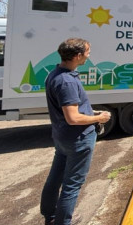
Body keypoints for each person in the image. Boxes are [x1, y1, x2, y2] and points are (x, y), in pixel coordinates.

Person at [41, 38, 112, 225]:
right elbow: (73, 118)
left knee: (55, 178)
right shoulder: (67, 82)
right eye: (87, 52)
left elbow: (68, 110)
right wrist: (99, 118)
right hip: (77, 139)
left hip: (62, 137)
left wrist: (90, 111)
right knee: (72, 185)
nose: (89, 56)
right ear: (78, 55)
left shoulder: (56, 74)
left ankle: (51, 215)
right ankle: (62, 221)